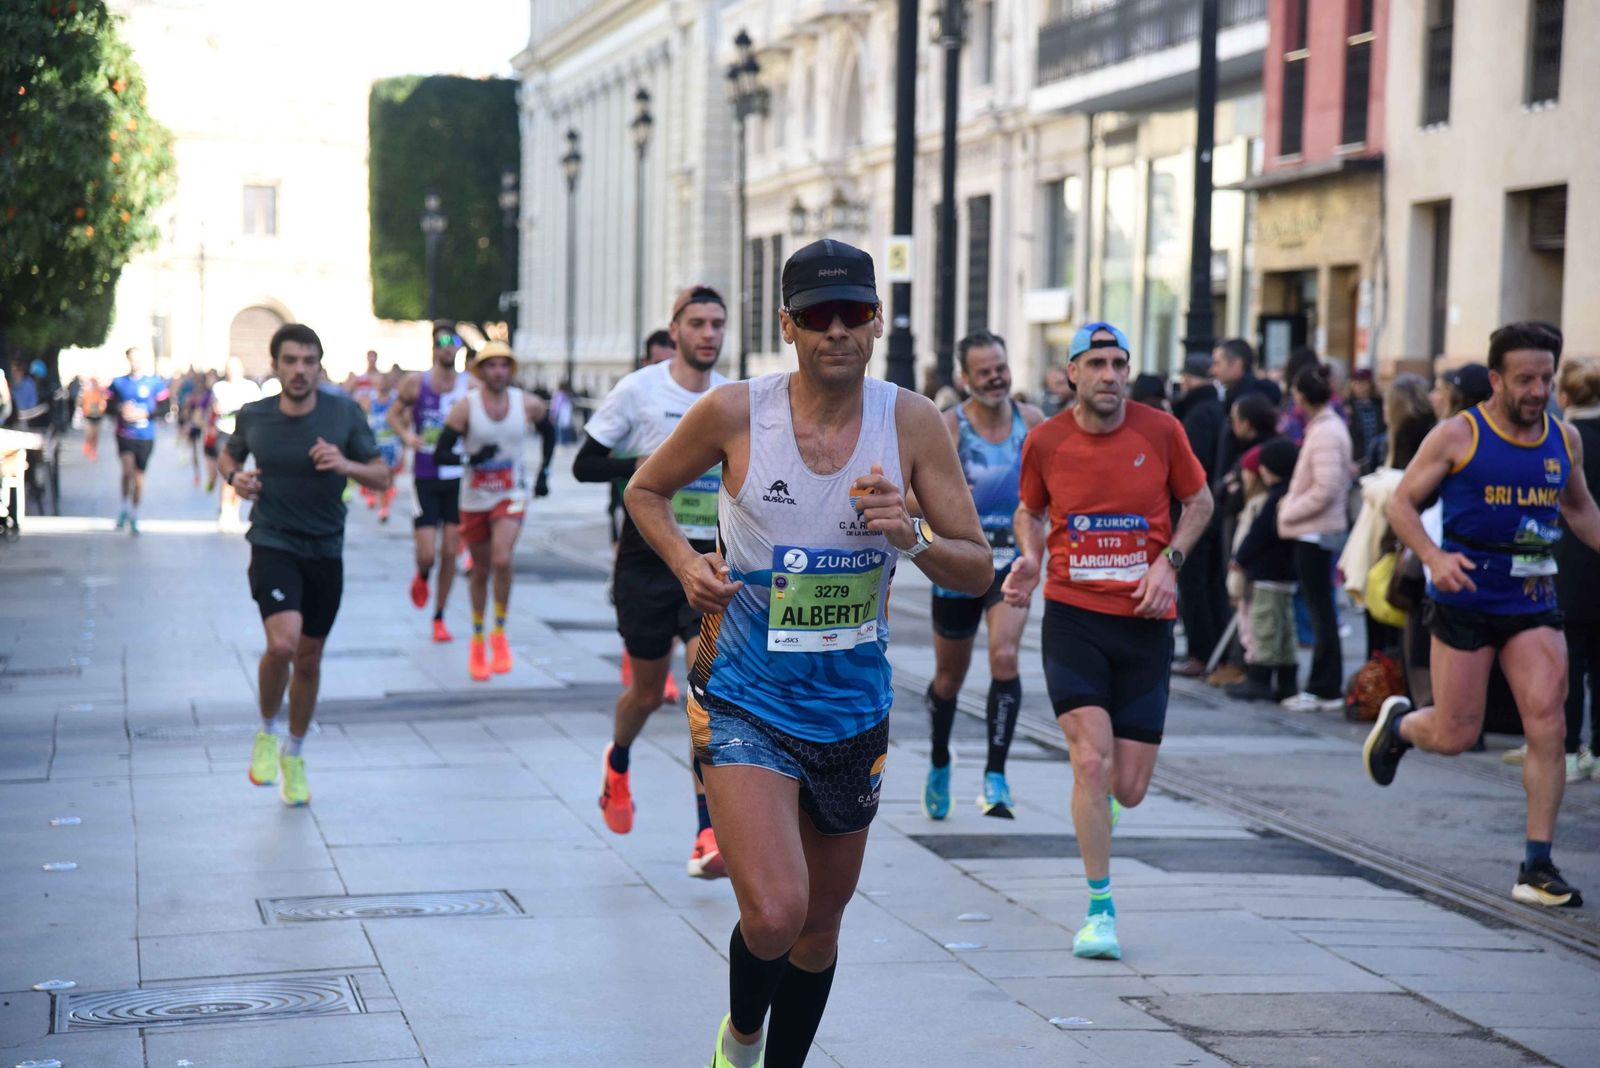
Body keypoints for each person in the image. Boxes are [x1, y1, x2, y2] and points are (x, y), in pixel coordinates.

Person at [625, 239, 991, 1067]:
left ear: (877, 322)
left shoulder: (912, 422)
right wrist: (689, 565)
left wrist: (914, 533)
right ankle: (740, 1038)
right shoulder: (733, 413)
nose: (837, 331)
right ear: (787, 326)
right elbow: (643, 489)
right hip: (745, 694)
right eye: (818, 317)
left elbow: (976, 568)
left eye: (853, 314)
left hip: (853, 706)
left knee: (820, 929)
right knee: (776, 914)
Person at [1369, 322, 1600, 908]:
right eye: (1524, 379)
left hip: (1533, 599)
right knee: (1454, 734)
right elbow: (1401, 504)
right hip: (1465, 596)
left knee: (1549, 722)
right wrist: (1433, 557)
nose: (1537, 390)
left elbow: (1579, 510)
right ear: (1495, 379)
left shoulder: (1564, 440)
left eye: (1546, 378)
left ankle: (1537, 864)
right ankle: (1400, 726)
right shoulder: (1457, 435)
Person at [1003, 320, 1213, 962]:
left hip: (1146, 624)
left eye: (1119, 363)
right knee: (1089, 764)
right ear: (1071, 373)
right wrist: (1031, 557)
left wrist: (1167, 564)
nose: (1110, 376)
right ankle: (1100, 910)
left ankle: (1103, 812)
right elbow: (1028, 511)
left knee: (1128, 787)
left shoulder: (1162, 430)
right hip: (1074, 619)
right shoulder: (1045, 440)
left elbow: (1199, 502)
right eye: (1096, 363)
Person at [575, 286, 732, 876]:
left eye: (718, 324)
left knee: (705, 694)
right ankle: (617, 760)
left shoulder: (731, 398)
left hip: (709, 560)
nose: (709, 334)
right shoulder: (641, 391)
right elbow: (584, 463)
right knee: (645, 694)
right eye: (697, 323)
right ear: (676, 329)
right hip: (647, 558)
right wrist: (646, 471)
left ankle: (706, 834)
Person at [219, 324, 389, 806]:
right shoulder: (255, 415)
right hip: (273, 541)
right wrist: (237, 478)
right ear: (275, 365)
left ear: (319, 365)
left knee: (310, 657)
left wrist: (345, 464)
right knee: (284, 644)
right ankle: (267, 731)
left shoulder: (344, 414)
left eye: (308, 361)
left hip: (326, 549)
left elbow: (381, 474)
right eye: (290, 360)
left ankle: (294, 753)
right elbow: (227, 456)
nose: (299, 370)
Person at [922, 331, 1044, 821]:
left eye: (1001, 366)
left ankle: (996, 775)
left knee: (1005, 656)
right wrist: (949, 499)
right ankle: (938, 759)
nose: (996, 377)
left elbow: (1051, 488)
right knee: (949, 679)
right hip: (958, 563)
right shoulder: (948, 426)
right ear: (964, 378)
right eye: (985, 371)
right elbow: (914, 493)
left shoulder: (1031, 422)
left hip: (1011, 561)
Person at [432, 342, 548, 681]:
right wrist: (472, 459)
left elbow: (549, 429)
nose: (498, 371)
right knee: (480, 569)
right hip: (474, 498)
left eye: (503, 365)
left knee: (501, 558)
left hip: (511, 494)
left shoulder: (525, 403)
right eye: (491, 365)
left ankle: (499, 631)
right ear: (480, 371)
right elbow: (441, 454)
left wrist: (544, 474)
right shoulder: (465, 408)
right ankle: (479, 635)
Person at [1276, 363, 1352, 713]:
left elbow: (1326, 486)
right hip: (1315, 528)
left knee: (1321, 611)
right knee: (1321, 608)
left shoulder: (1325, 432)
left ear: (1302, 397)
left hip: (1316, 531)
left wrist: (1288, 510)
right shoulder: (1325, 428)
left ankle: (1324, 686)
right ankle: (1323, 684)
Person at [391, 322, 473, 641]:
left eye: (454, 341)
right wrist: (405, 436)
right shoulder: (416, 383)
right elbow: (394, 415)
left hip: (457, 476)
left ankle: (439, 617)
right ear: (434, 347)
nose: (448, 347)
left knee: (451, 552)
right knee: (428, 553)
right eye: (443, 341)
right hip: (425, 473)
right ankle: (422, 573)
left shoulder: (469, 385)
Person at [1553, 357, 1600, 782]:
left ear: (1563, 396)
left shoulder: (1563, 440)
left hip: (1568, 562)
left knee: (1567, 663)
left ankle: (1566, 749)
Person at [1226, 439, 1301, 702]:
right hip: (1287, 575)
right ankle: (1287, 679)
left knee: (1265, 627)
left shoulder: (1275, 498)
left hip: (1268, 575)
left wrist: (1240, 557)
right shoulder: (1293, 494)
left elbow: (1258, 534)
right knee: (1285, 629)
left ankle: (1259, 679)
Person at [1172, 353, 1227, 676]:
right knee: (1211, 582)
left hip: (1197, 506)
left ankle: (1200, 652)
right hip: (1217, 504)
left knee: (1192, 580)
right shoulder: (1219, 407)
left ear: (1189, 379)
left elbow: (1191, 466)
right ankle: (1214, 650)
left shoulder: (1196, 413)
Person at [108, 347, 171, 535]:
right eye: (133, 359)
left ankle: (135, 514)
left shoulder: (155, 383)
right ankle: (124, 508)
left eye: (139, 359)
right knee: (127, 471)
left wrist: (146, 413)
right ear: (128, 360)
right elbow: (108, 406)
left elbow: (165, 408)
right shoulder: (119, 383)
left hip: (146, 436)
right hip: (125, 434)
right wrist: (121, 409)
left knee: (139, 478)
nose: (136, 363)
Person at [206, 358, 265, 528]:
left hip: (245, 434)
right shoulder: (220, 387)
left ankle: (234, 508)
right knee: (227, 472)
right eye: (229, 368)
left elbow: (257, 410)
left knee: (239, 471)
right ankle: (225, 509)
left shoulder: (250, 388)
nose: (232, 371)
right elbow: (213, 409)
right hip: (224, 432)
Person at [1212, 337, 1282, 480]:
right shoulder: (1235, 396)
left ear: (1236, 364)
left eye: (1218, 363)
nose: (1213, 370)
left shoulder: (1248, 402)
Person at [1348, 368, 1386, 476]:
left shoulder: (1380, 406)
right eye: (1357, 383)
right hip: (1356, 461)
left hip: (1377, 460)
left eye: (1363, 383)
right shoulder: (1347, 407)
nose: (1360, 387)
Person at [80, 376, 108, 460]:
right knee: (89, 433)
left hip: (98, 415)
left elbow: (105, 401)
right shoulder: (86, 392)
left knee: (96, 435)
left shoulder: (101, 392)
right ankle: (87, 446)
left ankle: (93, 451)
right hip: (89, 415)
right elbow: (81, 402)